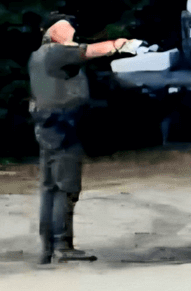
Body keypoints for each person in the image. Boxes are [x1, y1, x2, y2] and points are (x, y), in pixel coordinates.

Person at [28, 14, 143, 264]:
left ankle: (49, 247)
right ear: (52, 31)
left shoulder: (40, 55)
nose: (71, 30)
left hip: (50, 126)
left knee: (51, 188)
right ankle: (62, 246)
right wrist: (120, 45)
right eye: (66, 27)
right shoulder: (55, 53)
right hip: (61, 127)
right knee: (66, 187)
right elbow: (90, 51)